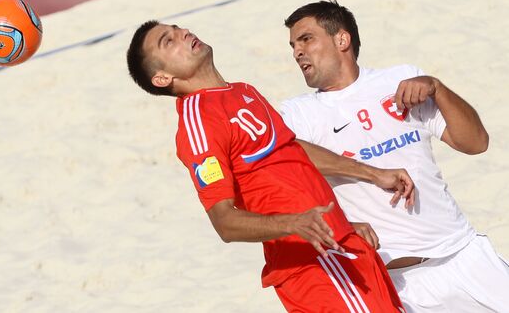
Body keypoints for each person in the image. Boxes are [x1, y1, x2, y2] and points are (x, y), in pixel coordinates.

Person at [126, 20, 408, 312]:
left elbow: (290, 151)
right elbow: (224, 222)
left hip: (341, 246)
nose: (183, 33)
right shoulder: (198, 123)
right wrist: (294, 224)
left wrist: (370, 176)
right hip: (312, 266)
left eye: (177, 29)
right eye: (168, 41)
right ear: (161, 78)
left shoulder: (242, 91)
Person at [280, 0, 509, 312]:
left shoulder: (400, 79)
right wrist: (371, 172)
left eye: (306, 39)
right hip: (397, 282)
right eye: (293, 45)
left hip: (464, 254)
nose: (297, 52)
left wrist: (438, 88)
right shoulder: (298, 112)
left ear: (342, 39)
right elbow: (288, 153)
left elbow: (476, 143)